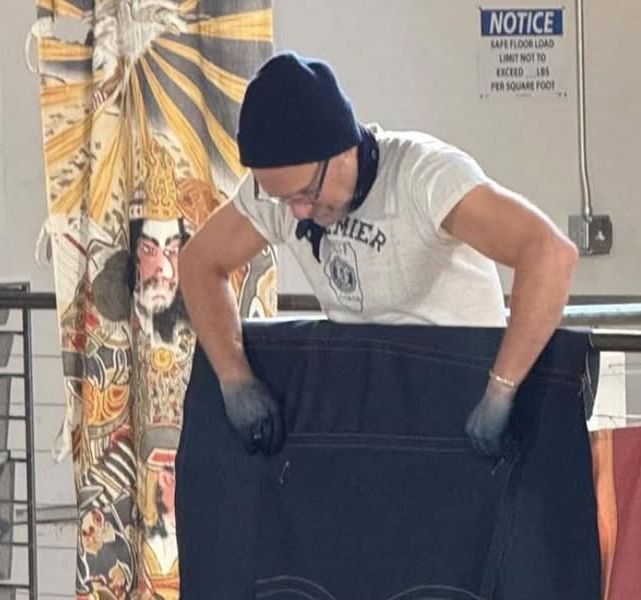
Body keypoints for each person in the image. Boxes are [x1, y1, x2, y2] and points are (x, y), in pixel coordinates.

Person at [178, 51, 579, 458]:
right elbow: (199, 264)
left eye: (306, 194)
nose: (297, 212)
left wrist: (502, 388)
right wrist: (234, 378)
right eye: (283, 200)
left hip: (463, 395)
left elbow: (549, 253)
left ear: (344, 150)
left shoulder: (424, 178)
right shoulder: (282, 197)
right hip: (371, 399)